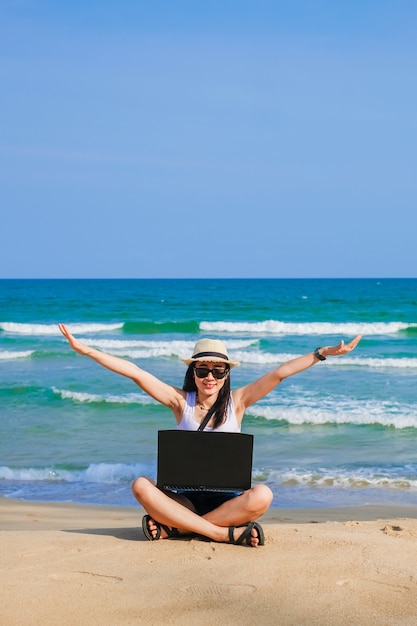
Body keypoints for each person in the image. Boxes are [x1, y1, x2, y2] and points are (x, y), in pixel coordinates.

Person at [58, 324, 362, 547]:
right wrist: (86, 350)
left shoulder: (238, 402)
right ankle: (218, 533)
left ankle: (177, 530)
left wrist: (323, 353)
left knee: (263, 495)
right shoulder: (180, 402)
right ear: (193, 372)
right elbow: (136, 372)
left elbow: (279, 373)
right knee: (141, 485)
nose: (210, 377)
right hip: (183, 499)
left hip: (227, 501)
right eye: (203, 370)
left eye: (218, 371)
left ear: (227, 374)